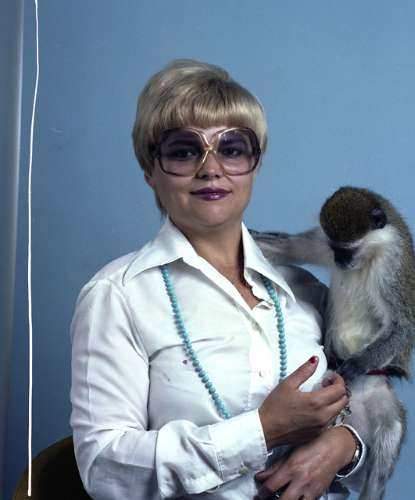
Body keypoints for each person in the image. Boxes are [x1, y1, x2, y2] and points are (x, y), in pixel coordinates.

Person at [70, 59, 366, 500]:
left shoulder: (305, 291)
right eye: (184, 151)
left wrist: (344, 445)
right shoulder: (118, 296)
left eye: (231, 149)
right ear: (150, 171)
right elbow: (104, 469)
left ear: (255, 165)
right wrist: (263, 431)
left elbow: (371, 407)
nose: (211, 168)